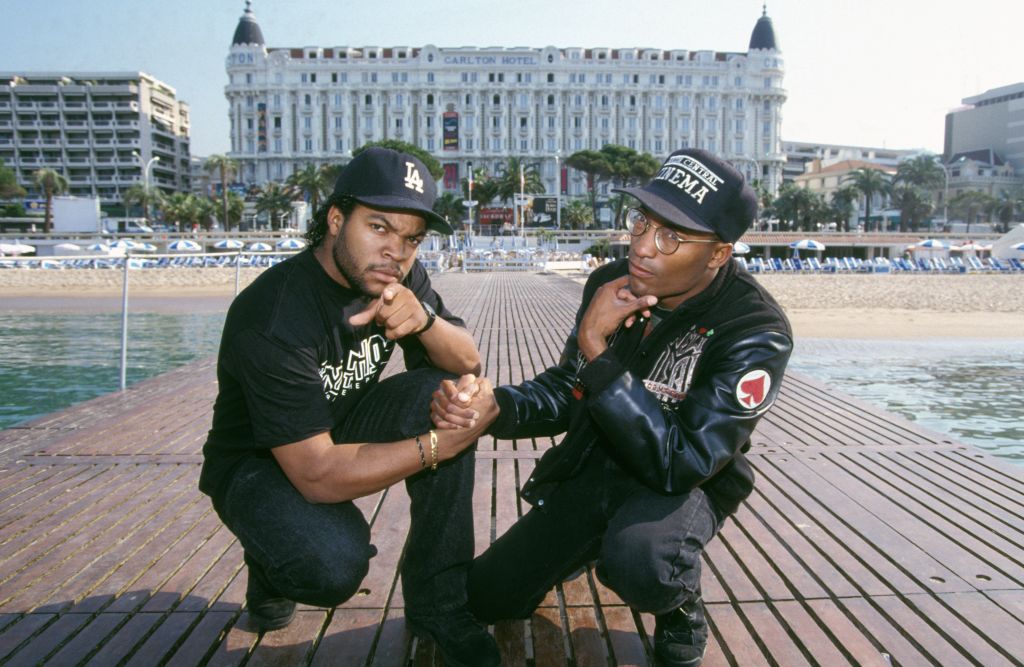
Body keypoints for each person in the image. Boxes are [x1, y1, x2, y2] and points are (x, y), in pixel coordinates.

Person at [432, 148, 793, 666]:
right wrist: (497, 407)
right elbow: (568, 386)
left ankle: (679, 602)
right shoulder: (611, 282)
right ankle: (594, 539)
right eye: (641, 222)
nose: (643, 247)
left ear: (718, 255)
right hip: (596, 466)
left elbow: (682, 461)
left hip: (684, 485)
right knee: (488, 596)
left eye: (671, 236)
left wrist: (597, 349)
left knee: (640, 561)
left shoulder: (753, 332)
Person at [199, 147, 500, 666]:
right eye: (379, 228)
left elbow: (468, 361)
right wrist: (435, 446)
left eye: (411, 238)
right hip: (257, 463)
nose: (396, 252)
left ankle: (438, 604)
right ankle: (270, 563)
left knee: (449, 392)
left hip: (337, 426)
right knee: (332, 564)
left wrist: (424, 321)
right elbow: (316, 474)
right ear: (336, 220)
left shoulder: (397, 277)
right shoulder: (272, 316)